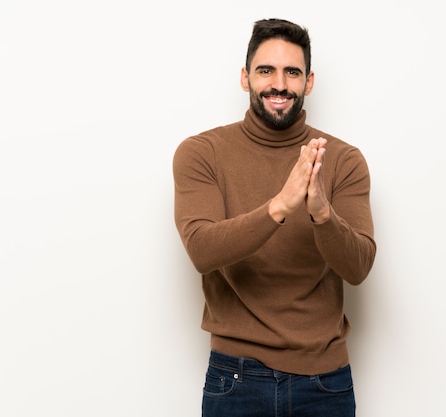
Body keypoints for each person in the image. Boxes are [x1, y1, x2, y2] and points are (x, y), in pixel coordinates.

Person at [172, 18, 376, 417]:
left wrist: (320, 212)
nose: (279, 84)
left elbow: (359, 267)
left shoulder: (344, 159)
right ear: (245, 78)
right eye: (266, 70)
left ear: (309, 82)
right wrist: (280, 206)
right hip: (235, 378)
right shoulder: (201, 153)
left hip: (325, 381)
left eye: (292, 72)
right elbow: (201, 248)